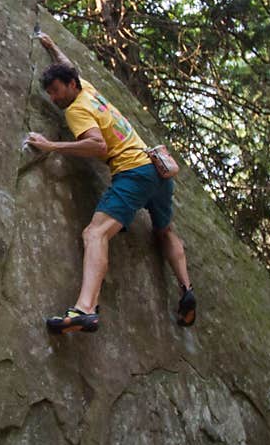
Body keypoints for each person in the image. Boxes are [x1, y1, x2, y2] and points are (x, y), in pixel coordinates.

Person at [26, 32, 196, 333]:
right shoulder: (88, 91)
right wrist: (53, 47)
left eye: (56, 90)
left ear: (71, 86)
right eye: (49, 93)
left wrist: (51, 146)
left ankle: (85, 309)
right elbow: (70, 65)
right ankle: (186, 290)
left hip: (133, 173)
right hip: (157, 170)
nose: (54, 98)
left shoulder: (77, 110)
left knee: (95, 233)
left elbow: (98, 146)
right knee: (164, 230)